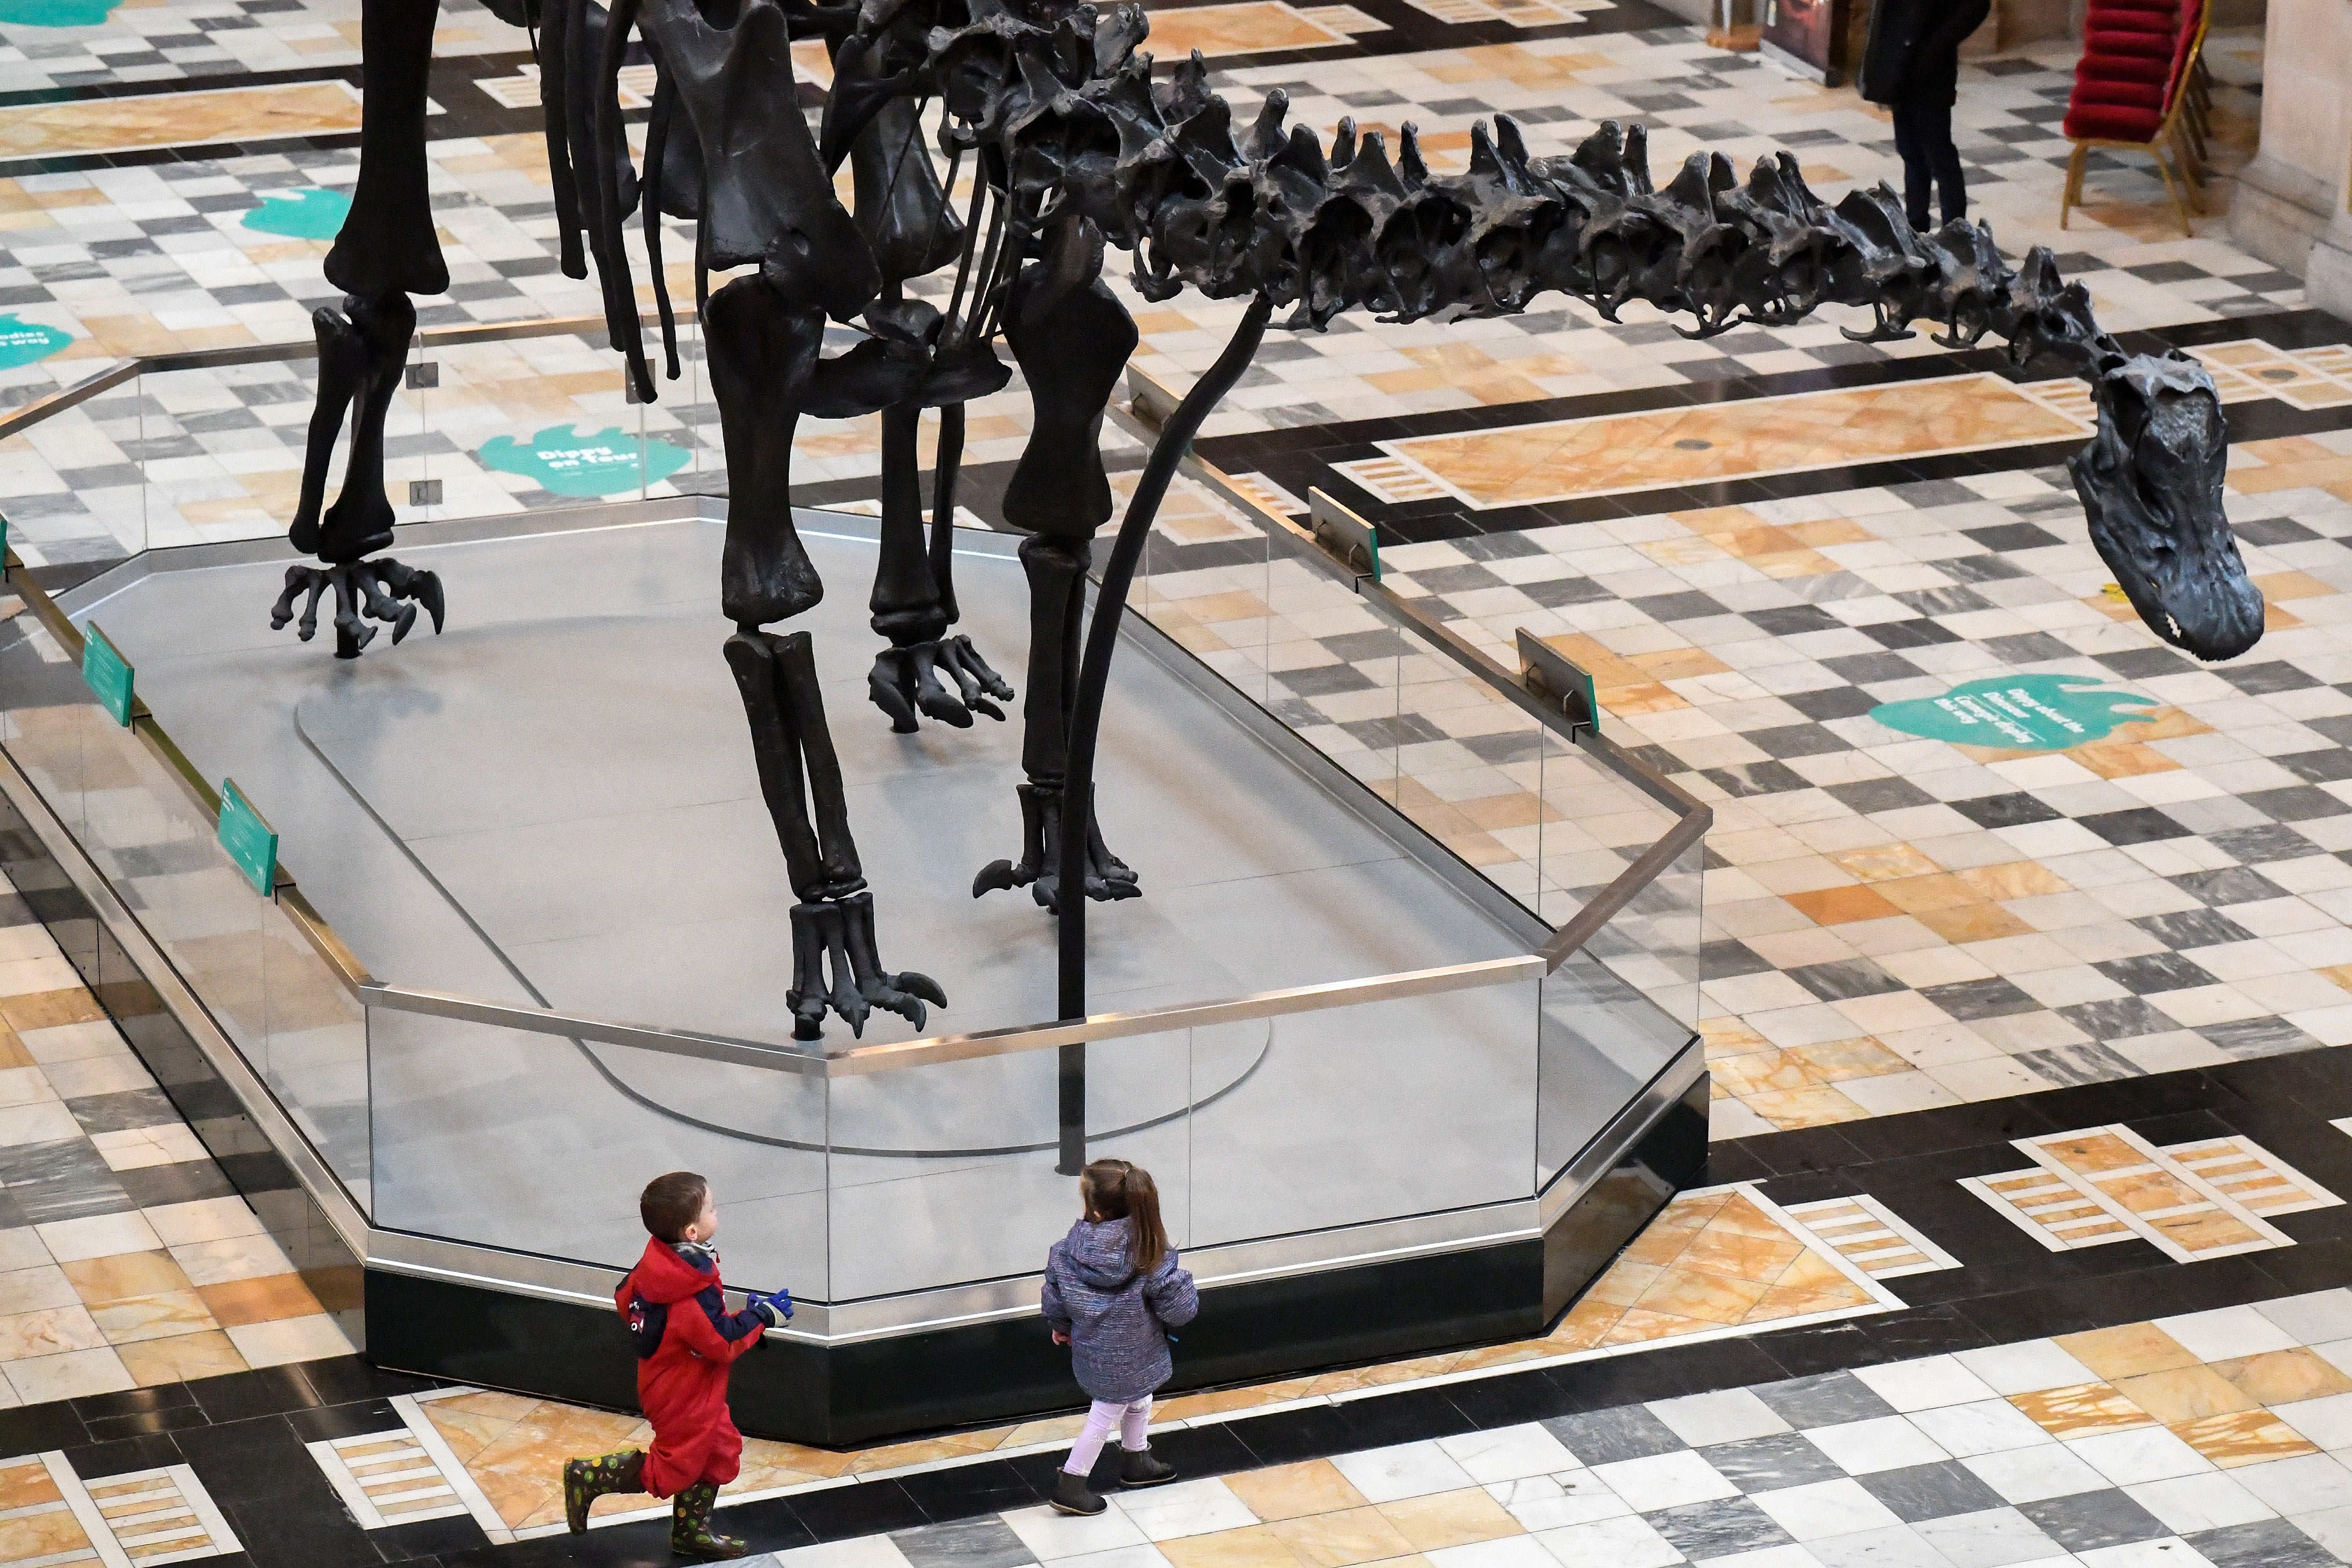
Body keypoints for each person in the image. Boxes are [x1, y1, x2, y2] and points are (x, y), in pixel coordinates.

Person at [561, 1172, 794, 1561]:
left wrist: (742, 1319)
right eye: (712, 1209)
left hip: (689, 1383)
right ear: (691, 1230)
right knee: (675, 1466)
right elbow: (721, 1343)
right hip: (682, 1392)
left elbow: (631, 1299)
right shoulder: (688, 1288)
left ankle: (691, 1533)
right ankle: (588, 1476)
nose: (717, 1213)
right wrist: (762, 1318)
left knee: (719, 1451)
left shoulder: (665, 1262)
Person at [1042, 1158, 1200, 1517]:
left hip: (1094, 1355)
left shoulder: (1066, 1253)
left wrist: (1061, 1327)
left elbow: (1055, 1297)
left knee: (1139, 1400)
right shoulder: (1151, 1255)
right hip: (1138, 1353)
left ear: (1093, 1210)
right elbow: (1180, 1311)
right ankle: (1072, 1483)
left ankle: (1137, 1460)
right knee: (1103, 1416)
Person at [1859, 0, 1993, 232]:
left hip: (1930, 73)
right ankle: (1916, 227)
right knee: (1911, 153)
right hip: (1899, 68)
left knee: (1939, 156)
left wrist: (1936, 46)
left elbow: (1977, 6)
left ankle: (1955, 233)